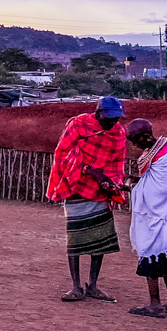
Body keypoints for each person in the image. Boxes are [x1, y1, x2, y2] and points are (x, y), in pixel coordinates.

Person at [47, 96, 127, 303]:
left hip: (100, 192)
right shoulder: (79, 125)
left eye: (116, 118)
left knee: (98, 240)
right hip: (76, 187)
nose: (112, 122)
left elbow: (118, 162)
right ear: (98, 113)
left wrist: (112, 182)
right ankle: (75, 287)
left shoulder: (118, 133)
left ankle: (92, 285)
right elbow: (64, 154)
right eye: (109, 118)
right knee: (75, 239)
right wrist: (91, 171)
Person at [124, 118, 167, 318]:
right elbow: (153, 181)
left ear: (145, 136)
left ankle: (155, 304)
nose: (134, 145)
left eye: (135, 140)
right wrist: (138, 180)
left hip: (159, 217)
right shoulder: (161, 155)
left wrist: (134, 188)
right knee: (165, 259)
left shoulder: (166, 158)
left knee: (152, 255)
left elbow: (156, 193)